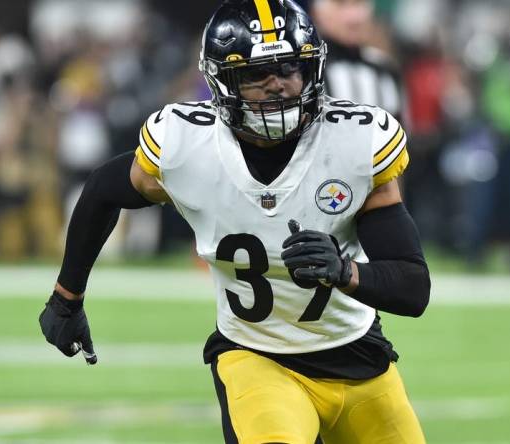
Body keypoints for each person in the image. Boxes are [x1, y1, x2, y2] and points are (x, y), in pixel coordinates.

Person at [38, 1, 430, 443]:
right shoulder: (188, 146)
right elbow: (102, 190)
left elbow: (413, 287)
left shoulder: (355, 144)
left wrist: (346, 272)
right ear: (223, 81)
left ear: (313, 70)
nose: (277, 86)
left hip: (360, 358)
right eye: (256, 74)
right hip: (258, 357)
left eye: (289, 69)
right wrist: (66, 297)